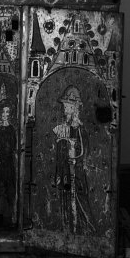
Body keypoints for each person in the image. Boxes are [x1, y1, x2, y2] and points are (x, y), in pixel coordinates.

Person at [53, 85, 96, 235]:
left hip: (76, 172)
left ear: (75, 108)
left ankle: (85, 230)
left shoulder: (79, 130)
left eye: (68, 106)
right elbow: (59, 153)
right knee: (66, 201)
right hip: (65, 170)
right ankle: (68, 229)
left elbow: (84, 151)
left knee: (79, 201)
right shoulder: (63, 128)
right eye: (65, 106)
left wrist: (75, 156)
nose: (65, 109)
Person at [0, 99, 17, 201]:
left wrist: (1, 151)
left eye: (7, 112)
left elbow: (12, 147)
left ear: (10, 114)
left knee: (8, 181)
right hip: (1, 160)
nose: (4, 114)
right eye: (3, 112)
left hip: (8, 160)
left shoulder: (11, 129)